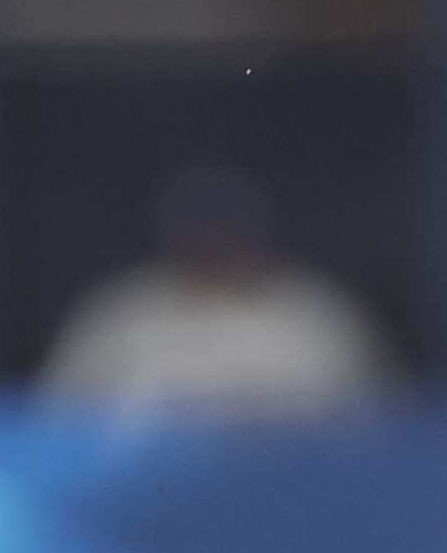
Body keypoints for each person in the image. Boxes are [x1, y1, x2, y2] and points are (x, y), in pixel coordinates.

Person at [35, 164, 393, 422]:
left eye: (225, 228)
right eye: (201, 229)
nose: (214, 241)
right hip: (144, 508)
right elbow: (58, 425)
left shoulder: (314, 314)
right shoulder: (121, 315)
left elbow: (377, 426)